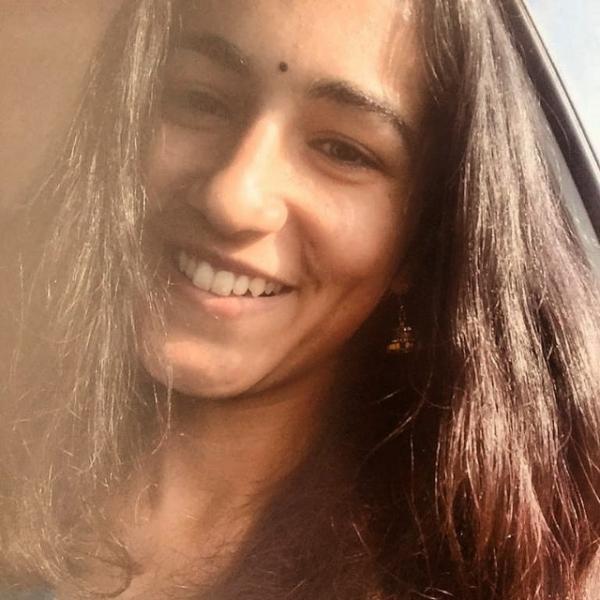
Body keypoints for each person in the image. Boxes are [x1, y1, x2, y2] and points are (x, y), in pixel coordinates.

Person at [1, 0, 599, 598]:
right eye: (202, 100)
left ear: (424, 243)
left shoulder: (495, 573)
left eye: (343, 150)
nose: (232, 197)